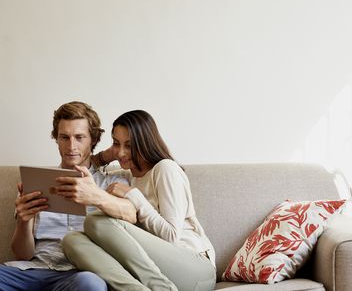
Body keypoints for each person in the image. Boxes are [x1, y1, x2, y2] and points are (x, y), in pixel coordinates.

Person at [62, 110, 216, 291]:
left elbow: (171, 236)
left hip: (195, 269)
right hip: (161, 271)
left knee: (96, 221)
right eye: (116, 144)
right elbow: (88, 164)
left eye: (129, 145)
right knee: (71, 240)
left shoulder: (165, 169)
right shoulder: (129, 175)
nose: (120, 152)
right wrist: (110, 154)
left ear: (144, 143)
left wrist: (134, 196)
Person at [0, 101, 135, 291]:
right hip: (33, 269)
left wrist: (96, 196)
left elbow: (133, 215)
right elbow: (22, 255)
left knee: (91, 284)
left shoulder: (114, 184)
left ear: (93, 140)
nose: (71, 146)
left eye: (79, 137)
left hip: (79, 274)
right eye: (64, 137)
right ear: (56, 138)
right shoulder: (35, 181)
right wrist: (24, 221)